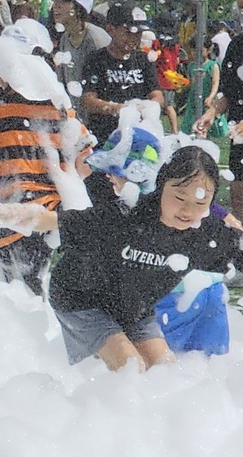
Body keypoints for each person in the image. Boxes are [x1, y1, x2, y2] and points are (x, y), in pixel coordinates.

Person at [47, 146, 234, 371]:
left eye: (200, 203)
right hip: (81, 298)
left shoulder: (207, 233)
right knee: (131, 367)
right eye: (179, 197)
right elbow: (56, 221)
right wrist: (2, 214)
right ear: (162, 185)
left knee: (165, 373)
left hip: (133, 308)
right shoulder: (129, 215)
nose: (187, 210)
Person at [0, 19, 93, 295]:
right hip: (62, 221)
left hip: (15, 222)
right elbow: (84, 167)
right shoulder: (64, 112)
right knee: (57, 302)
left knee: (19, 305)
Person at [81, 3, 163, 143]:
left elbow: (158, 95)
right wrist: (118, 109)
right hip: (103, 136)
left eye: (139, 33)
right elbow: (88, 100)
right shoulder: (96, 59)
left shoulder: (143, 60)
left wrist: (148, 107)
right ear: (111, 29)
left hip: (138, 137)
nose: (134, 38)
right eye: (129, 32)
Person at [48, 0, 109, 101]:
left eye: (63, 1)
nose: (56, 5)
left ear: (78, 8)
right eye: (55, 0)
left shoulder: (96, 40)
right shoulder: (65, 37)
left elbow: (107, 88)